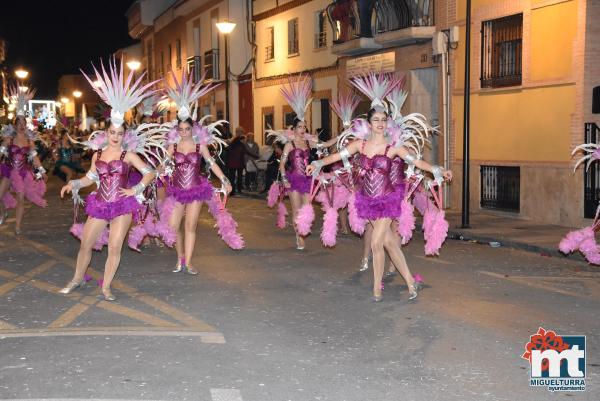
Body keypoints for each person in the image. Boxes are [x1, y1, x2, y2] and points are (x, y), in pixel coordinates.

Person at [307, 73, 453, 302]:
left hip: (387, 200)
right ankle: (411, 282)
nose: (381, 123)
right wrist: (317, 163)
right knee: (389, 243)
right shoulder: (360, 145)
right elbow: (338, 154)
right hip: (367, 200)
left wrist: (436, 169)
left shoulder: (393, 147)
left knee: (376, 243)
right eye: (376, 120)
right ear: (369, 123)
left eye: (384, 120)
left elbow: (415, 161)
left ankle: (376, 287)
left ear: (387, 123)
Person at [59, 58, 159, 301]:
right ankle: (76, 279)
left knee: (115, 247)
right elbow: (90, 178)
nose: (115, 136)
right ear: (107, 133)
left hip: (122, 205)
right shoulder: (98, 153)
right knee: (85, 244)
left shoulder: (129, 154)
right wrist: (72, 184)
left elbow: (150, 172)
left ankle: (106, 286)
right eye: (112, 133)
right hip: (101, 203)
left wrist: (136, 189)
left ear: (124, 134)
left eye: (120, 133)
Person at [160, 69, 242, 275]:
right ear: (176, 130)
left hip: (196, 189)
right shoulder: (174, 145)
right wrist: (151, 174)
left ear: (193, 129)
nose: (184, 133)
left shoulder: (200, 145)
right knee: (172, 226)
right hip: (177, 190)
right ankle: (179, 257)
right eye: (181, 130)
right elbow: (163, 163)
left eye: (187, 129)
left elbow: (212, 163)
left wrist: (224, 179)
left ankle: (188, 262)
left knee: (190, 226)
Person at [0, 84, 47, 234]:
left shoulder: (29, 140)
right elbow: (1, 153)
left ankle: (18, 226)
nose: (21, 125)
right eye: (18, 123)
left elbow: (34, 158)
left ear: (26, 125)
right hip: (8, 171)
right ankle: (3, 213)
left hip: (22, 172)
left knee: (21, 197)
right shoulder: (9, 138)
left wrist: (41, 170)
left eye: (23, 123)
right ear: (15, 125)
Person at [226, 127, 246, 196]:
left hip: (232, 162)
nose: (241, 132)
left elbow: (228, 148)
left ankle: (233, 191)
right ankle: (238, 190)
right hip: (238, 162)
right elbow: (244, 151)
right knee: (236, 176)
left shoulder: (232, 141)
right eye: (241, 131)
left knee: (232, 177)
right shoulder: (241, 140)